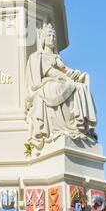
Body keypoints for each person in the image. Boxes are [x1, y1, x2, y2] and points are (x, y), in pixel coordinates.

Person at [25, 23, 97, 153]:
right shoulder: (38, 57)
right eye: (49, 35)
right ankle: (60, 127)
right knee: (63, 85)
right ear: (43, 39)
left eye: (53, 36)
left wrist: (76, 74)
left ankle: (79, 127)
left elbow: (66, 70)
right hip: (48, 84)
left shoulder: (57, 57)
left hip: (60, 81)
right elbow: (50, 72)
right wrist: (62, 78)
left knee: (80, 87)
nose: (52, 38)